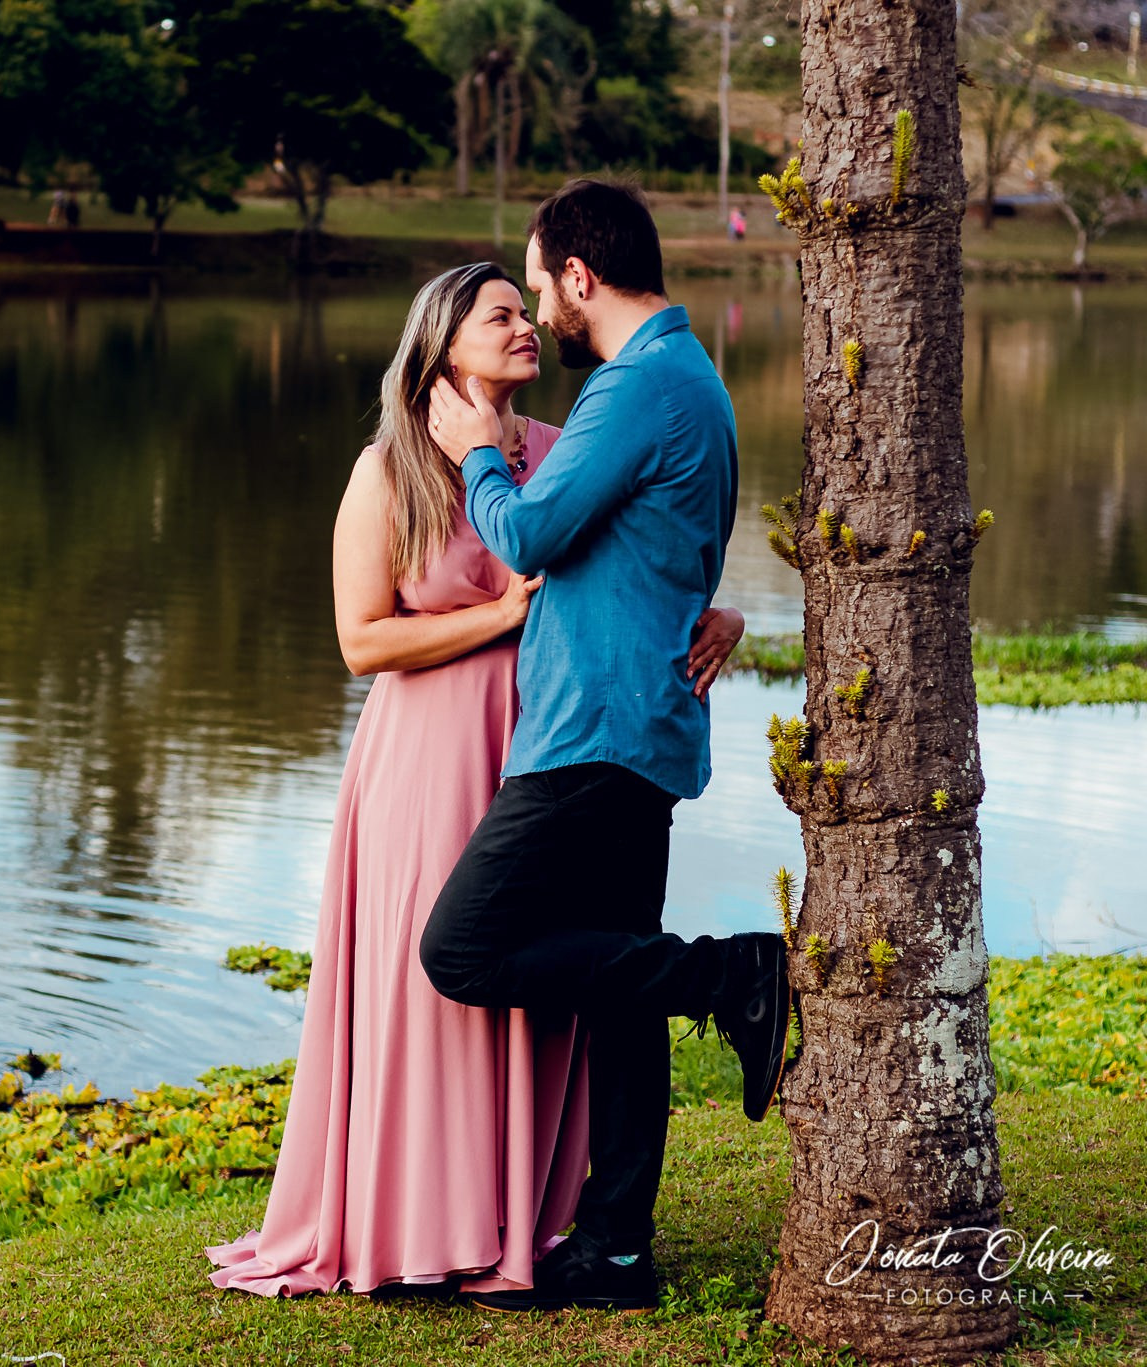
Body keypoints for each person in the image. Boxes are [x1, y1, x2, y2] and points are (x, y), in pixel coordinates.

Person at [204, 262, 747, 1298]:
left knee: (560, 970)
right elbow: (361, 639)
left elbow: (643, 562)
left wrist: (712, 611)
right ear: (440, 341)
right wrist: (499, 615)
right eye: (496, 314)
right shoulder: (391, 467)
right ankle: (420, 1216)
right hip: (426, 752)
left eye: (524, 307)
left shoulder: (562, 447)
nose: (524, 326)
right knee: (438, 971)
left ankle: (533, 1216)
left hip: (552, 735)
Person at [418, 179, 790, 1314]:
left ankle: (735, 971)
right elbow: (664, 548)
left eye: (540, 283)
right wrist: (716, 609)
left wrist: (479, 448)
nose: (540, 305)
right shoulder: (689, 380)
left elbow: (528, 532)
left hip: (594, 730)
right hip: (636, 721)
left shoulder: (637, 385)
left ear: (578, 275)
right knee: (618, 993)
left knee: (461, 949)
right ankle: (616, 1249)